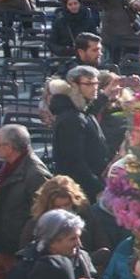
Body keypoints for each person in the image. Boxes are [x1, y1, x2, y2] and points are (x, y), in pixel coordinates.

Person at [0, 126, 51, 279]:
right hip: (3, 242)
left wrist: (26, 241)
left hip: (17, 246)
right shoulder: (10, 166)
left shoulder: (35, 173)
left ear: (10, 147)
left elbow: (43, 211)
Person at [46, 68, 111, 200]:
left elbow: (88, 112)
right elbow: (74, 162)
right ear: (74, 85)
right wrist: (98, 188)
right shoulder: (71, 118)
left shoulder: (78, 110)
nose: (95, 88)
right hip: (79, 192)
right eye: (89, 84)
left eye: (96, 83)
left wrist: (106, 95)